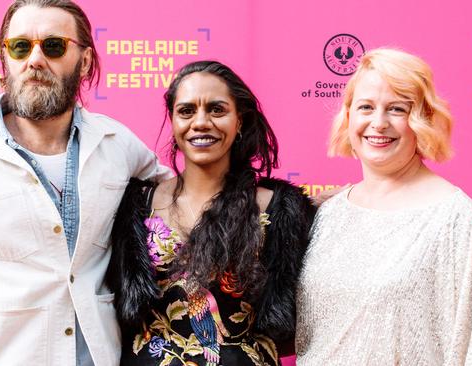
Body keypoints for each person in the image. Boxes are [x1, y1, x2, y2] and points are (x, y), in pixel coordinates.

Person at [0, 1, 170, 365]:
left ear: (85, 62)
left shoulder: (117, 145)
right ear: (5, 60)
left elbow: (184, 199)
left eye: (53, 46)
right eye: (20, 47)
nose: (35, 60)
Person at [295, 48, 472, 365]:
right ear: (348, 117)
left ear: (422, 120)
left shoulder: (456, 220)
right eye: (366, 107)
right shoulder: (328, 214)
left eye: (397, 109)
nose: (378, 123)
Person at [106, 60, 315, 366]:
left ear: (239, 120)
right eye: (187, 111)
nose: (201, 122)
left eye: (217, 109)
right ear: (174, 120)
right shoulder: (137, 205)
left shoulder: (279, 209)